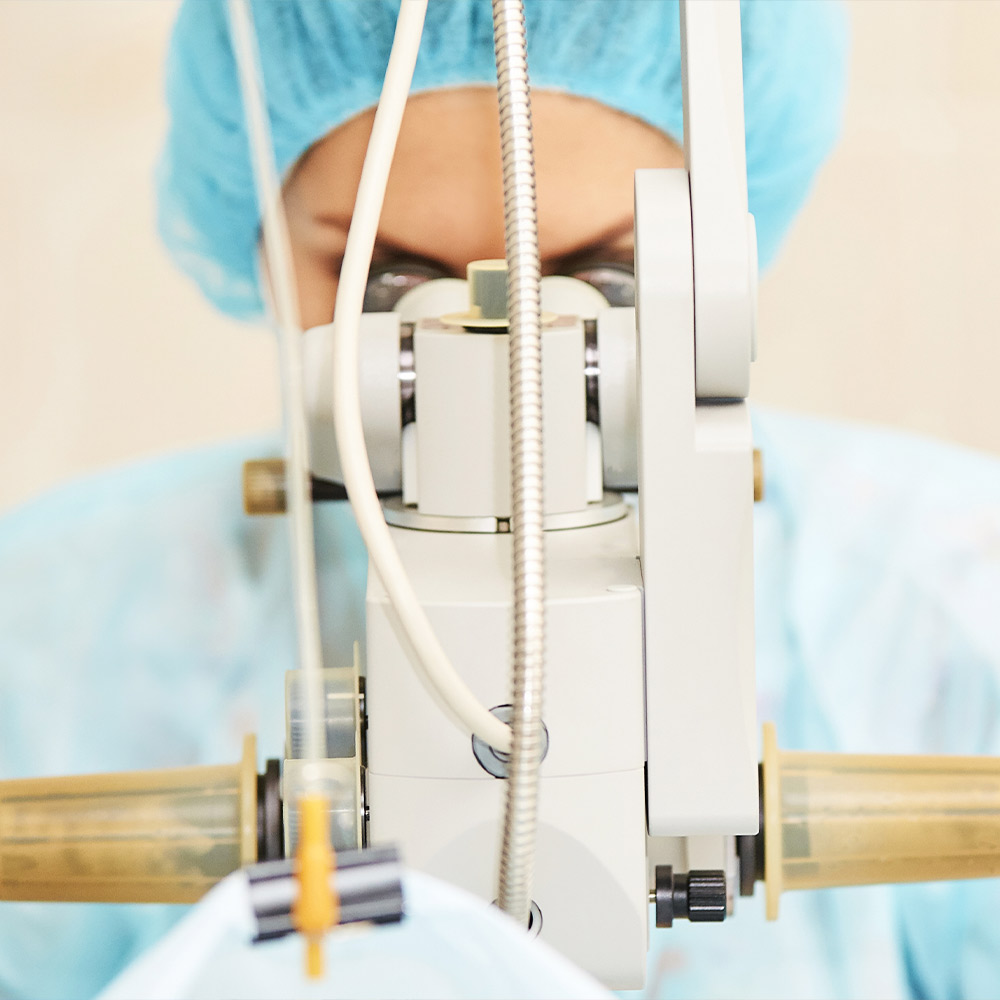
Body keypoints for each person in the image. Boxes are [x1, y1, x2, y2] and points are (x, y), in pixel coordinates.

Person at [3, 1, 1000, 997]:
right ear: (260, 234)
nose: (502, 361)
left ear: (716, 277)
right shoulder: (48, 630)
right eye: (385, 282)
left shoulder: (952, 602)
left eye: (601, 281)